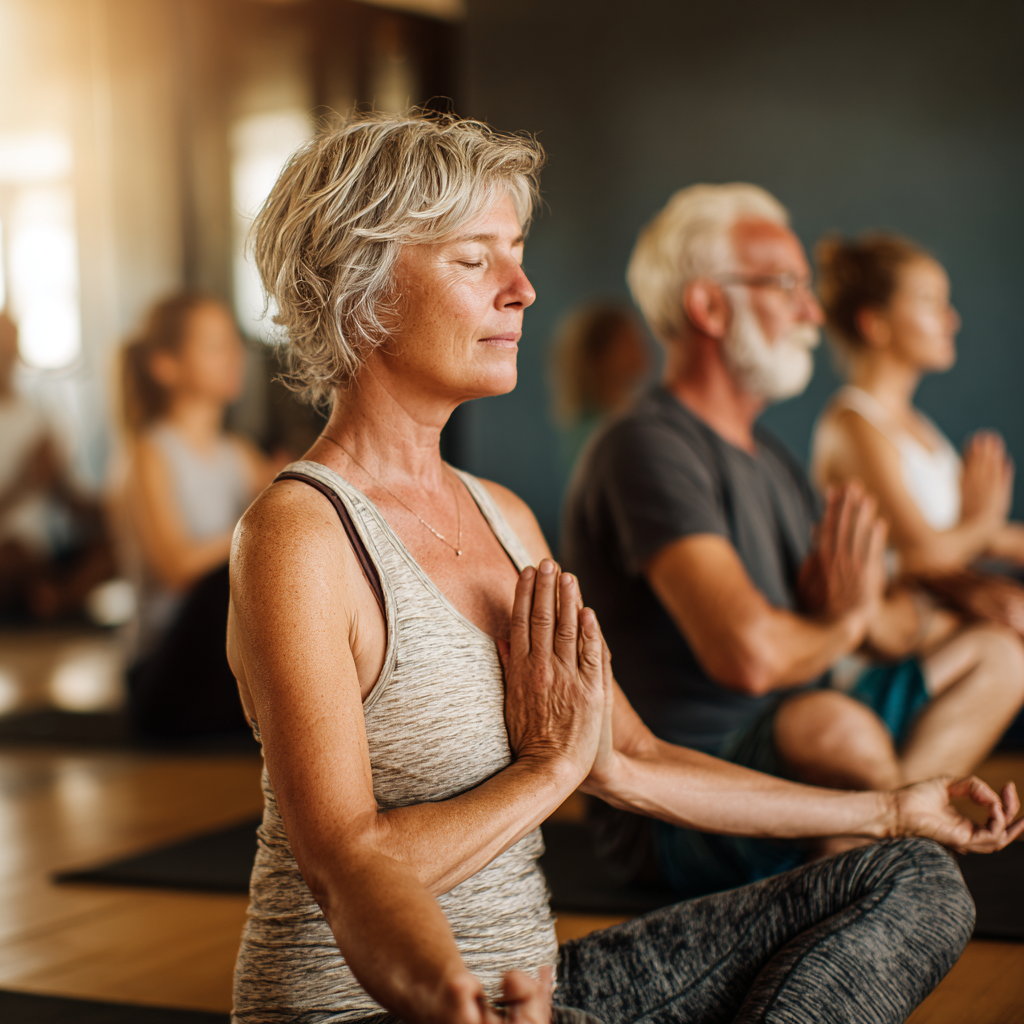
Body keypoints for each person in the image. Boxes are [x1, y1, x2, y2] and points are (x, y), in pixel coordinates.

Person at [227, 114, 1021, 1024]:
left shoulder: (505, 517)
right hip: (381, 1009)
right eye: (474, 259)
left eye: (516, 254)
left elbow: (631, 759)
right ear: (360, 288)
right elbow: (345, 864)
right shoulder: (300, 535)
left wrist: (893, 808)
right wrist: (541, 776)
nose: (523, 290)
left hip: (540, 992)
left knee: (911, 878)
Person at [562, 183, 1024, 896]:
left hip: (807, 742)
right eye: (786, 286)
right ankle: (889, 864)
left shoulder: (774, 460)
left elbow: (883, 629)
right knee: (832, 727)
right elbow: (748, 655)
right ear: (709, 306)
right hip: (685, 798)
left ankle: (880, 847)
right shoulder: (645, 448)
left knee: (999, 656)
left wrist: (950, 606)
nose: (811, 312)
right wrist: (841, 623)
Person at [811, 233, 1024, 633]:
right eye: (930, 304)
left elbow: (961, 537)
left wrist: (985, 530)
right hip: (890, 639)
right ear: (874, 324)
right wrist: (982, 527)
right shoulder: (853, 424)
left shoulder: (918, 426)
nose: (951, 320)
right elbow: (925, 554)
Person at [113, 293, 279, 738]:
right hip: (165, 668)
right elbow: (176, 568)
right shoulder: (149, 453)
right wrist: (259, 517)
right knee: (219, 587)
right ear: (165, 365)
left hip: (221, 657)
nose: (234, 357)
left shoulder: (239, 454)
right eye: (213, 346)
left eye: (233, 343)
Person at [0, 311, 113, 620]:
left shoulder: (39, 413)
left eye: (11, 346)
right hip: (8, 548)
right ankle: (48, 596)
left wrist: (114, 509)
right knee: (13, 554)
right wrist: (26, 479)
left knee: (115, 542)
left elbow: (65, 496)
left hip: (47, 544)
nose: (8, 355)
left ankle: (52, 597)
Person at [549, 303, 651, 470]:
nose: (641, 348)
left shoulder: (633, 414)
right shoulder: (596, 433)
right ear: (601, 356)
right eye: (629, 341)